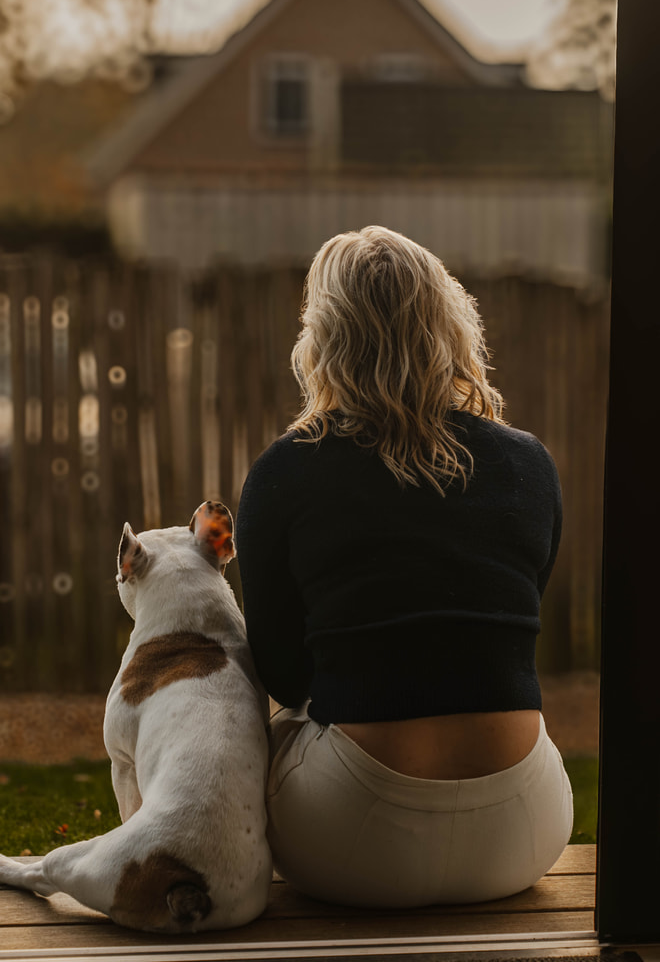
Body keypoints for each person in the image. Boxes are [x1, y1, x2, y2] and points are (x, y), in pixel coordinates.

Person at [235, 226, 573, 909]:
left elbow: (282, 672)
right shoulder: (528, 464)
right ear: (450, 323)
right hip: (525, 831)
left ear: (322, 338)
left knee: (251, 738)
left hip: (355, 843)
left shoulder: (286, 473)